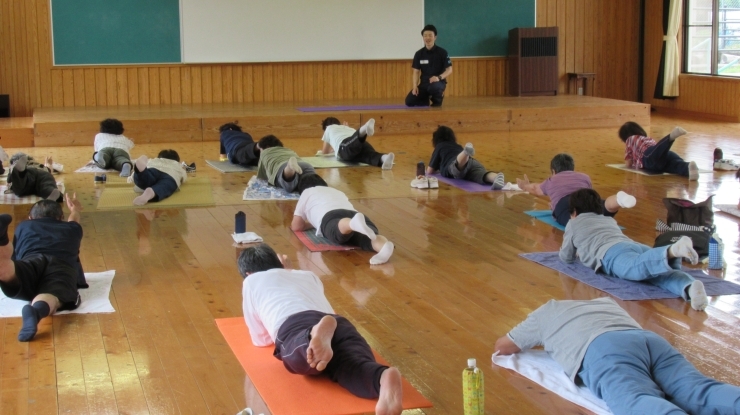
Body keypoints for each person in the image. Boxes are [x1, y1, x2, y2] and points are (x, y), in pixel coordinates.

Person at [495, 297, 740, 415]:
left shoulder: (544, 312)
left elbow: (503, 346)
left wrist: (542, 340)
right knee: (700, 390)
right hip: (647, 340)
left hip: (604, 349)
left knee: (634, 399)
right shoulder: (605, 302)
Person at [239, 243, 403, 415]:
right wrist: (288, 271)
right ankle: (382, 377)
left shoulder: (251, 281)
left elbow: (260, 338)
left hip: (296, 324)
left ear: (248, 274)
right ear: (280, 264)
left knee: (301, 358)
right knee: (351, 364)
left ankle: (311, 336)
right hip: (338, 322)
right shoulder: (307, 275)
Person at [560, 188, 708, 311]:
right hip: (634, 246)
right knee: (657, 273)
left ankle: (672, 251)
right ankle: (689, 286)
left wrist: (578, 253)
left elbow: (566, 256)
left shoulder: (573, 224)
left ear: (574, 212)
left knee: (635, 268)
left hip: (611, 253)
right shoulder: (607, 219)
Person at [0, 195, 85, 341]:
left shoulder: (24, 226)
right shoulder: (71, 228)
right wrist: (75, 209)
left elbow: (16, 254)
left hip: (31, 260)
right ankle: (36, 311)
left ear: (30, 218)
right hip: (61, 266)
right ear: (61, 217)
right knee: (52, 293)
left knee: (11, 269)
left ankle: (2, 246)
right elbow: (74, 220)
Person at [291, 175, 395, 265]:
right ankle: (384, 247)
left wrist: (311, 224)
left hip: (331, 216)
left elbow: (296, 226)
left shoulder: (306, 192)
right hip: (353, 213)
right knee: (369, 238)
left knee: (337, 235)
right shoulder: (337, 191)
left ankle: (351, 224)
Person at [517, 153, 636, 226]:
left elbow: (535, 189)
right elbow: (589, 196)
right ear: (572, 168)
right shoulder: (584, 177)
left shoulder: (552, 180)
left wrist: (524, 186)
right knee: (603, 205)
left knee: (574, 220)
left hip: (565, 203)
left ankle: (588, 222)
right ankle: (618, 199)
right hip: (586, 196)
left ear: (553, 171)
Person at [421, 125, 505, 190]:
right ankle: (495, 177)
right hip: (471, 161)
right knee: (480, 174)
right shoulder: (457, 145)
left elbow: (430, 171)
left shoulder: (439, 146)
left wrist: (437, 169)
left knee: (457, 167)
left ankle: (465, 152)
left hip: (456, 162)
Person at [618, 122, 699, 180]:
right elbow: (657, 149)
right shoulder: (649, 139)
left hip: (648, 156)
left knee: (653, 158)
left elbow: (628, 163)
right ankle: (688, 168)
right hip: (664, 154)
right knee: (674, 165)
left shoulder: (630, 139)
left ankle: (670, 137)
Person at [319, 117, 394, 170]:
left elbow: (324, 152)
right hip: (361, 143)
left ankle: (365, 127)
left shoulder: (328, 128)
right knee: (368, 156)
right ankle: (385, 158)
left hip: (346, 145)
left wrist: (332, 150)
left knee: (352, 147)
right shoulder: (346, 127)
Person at [405, 24, 452, 107]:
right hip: (424, 84)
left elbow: (449, 69)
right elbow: (416, 72)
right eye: (425, 36)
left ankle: (437, 100)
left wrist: (439, 77)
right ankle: (425, 99)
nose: (427, 38)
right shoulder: (419, 54)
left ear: (435, 37)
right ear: (423, 37)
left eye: (430, 35)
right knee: (409, 101)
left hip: (438, 82)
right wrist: (415, 87)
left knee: (433, 88)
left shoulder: (442, 52)